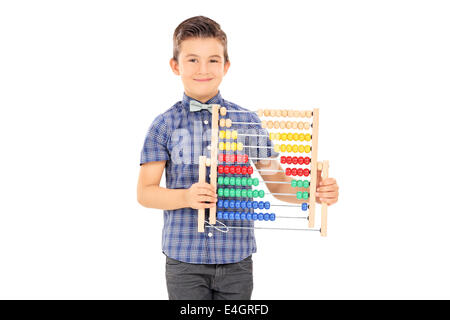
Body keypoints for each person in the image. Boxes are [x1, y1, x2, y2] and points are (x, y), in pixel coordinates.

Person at [137, 16, 339, 300]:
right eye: (192, 60)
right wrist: (186, 197)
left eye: (213, 60)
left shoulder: (247, 122)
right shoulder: (164, 125)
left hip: (236, 260)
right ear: (175, 65)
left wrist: (311, 192)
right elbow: (145, 193)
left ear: (226, 66)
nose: (203, 69)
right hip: (184, 260)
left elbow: (278, 183)